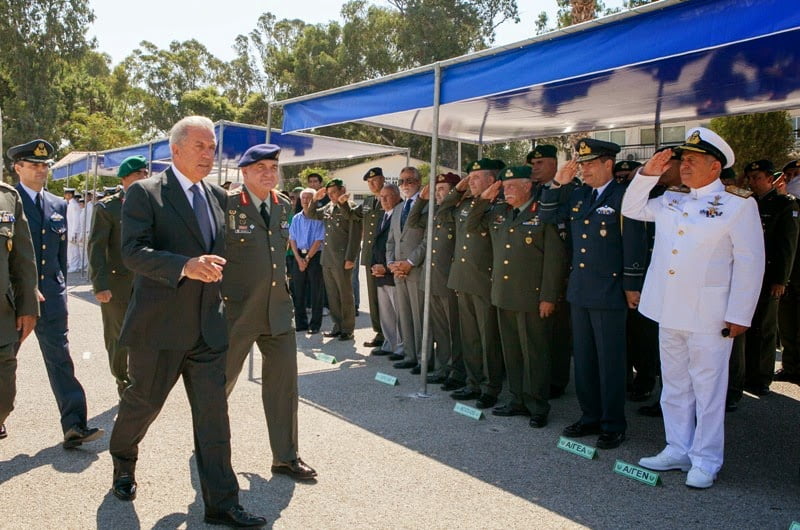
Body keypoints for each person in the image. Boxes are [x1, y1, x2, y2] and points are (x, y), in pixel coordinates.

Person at [109, 116, 265, 527]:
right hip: (159, 328)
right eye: (200, 146)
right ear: (175, 150)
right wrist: (185, 266)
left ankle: (222, 504)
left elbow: (226, 251)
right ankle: (123, 461)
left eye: (212, 147)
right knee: (141, 405)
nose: (208, 154)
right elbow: (132, 252)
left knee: (214, 418)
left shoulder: (218, 195)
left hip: (207, 328)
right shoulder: (145, 193)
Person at [624, 127, 765, 489]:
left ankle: (706, 459)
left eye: (692, 161)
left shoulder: (738, 205)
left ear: (715, 167)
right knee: (674, 385)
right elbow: (632, 208)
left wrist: (739, 314)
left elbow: (750, 262)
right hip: (668, 308)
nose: (684, 166)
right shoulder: (672, 198)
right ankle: (677, 448)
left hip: (710, 314)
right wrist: (648, 174)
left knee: (708, 389)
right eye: (682, 160)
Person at [541, 138, 644, 450]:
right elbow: (547, 216)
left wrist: (632, 284)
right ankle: (589, 417)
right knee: (584, 361)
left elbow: (634, 243)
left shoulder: (624, 196)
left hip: (610, 291)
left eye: (588, 164)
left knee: (610, 361)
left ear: (607, 164)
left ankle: (612, 423)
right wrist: (558, 182)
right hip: (581, 290)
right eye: (580, 164)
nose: (582, 169)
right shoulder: (578, 194)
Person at [223, 144, 317, 482]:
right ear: (244, 173)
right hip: (237, 311)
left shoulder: (282, 206)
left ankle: (285, 457)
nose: (268, 172)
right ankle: (212, 447)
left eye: (273, 166)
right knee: (220, 383)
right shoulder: (229, 205)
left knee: (283, 386)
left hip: (278, 309)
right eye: (260, 167)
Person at [10, 139, 104, 449]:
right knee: (4, 362)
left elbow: (60, 257)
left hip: (51, 297)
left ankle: (74, 425)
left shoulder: (57, 204)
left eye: (45, 165)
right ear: (17, 167)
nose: (41, 170)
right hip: (13, 299)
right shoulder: (7, 203)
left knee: (61, 360)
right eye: (34, 165)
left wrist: (60, 290)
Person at [468, 166, 568, 427]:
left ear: (528, 187)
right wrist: (486, 198)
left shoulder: (542, 213)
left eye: (513, 186)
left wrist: (549, 296)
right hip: (503, 295)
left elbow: (554, 260)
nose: (507, 191)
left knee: (534, 352)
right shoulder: (499, 212)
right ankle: (517, 399)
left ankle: (537, 405)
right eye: (505, 186)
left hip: (532, 297)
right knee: (511, 351)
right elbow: (471, 223)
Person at [443, 158, 505, 409]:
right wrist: (458, 189)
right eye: (469, 178)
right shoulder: (466, 203)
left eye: (477, 177)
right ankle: (473, 381)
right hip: (463, 277)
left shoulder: (498, 207)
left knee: (487, 337)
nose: (471, 182)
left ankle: (491, 387)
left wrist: (485, 199)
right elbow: (442, 212)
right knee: (469, 336)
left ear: (492, 181)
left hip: (484, 280)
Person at [88, 155, 148, 396]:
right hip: (116, 282)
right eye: (138, 174)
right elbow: (97, 248)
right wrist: (100, 285)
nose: (143, 178)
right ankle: (122, 378)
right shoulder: (108, 208)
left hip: (145, 282)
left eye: (145, 173)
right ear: (125, 179)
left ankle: (139, 377)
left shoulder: (151, 205)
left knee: (144, 332)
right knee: (118, 336)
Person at [742, 159, 799, 396]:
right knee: (747, 325)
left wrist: (781, 280)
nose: (753, 182)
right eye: (751, 178)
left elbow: (787, 245)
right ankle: (746, 373)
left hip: (769, 274)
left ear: (770, 179)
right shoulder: (747, 203)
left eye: (758, 178)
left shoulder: (785, 204)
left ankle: (761, 377)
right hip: (747, 274)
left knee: (765, 328)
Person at [407, 173, 462, 384]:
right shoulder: (434, 211)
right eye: (436, 189)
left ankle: (457, 370)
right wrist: (422, 197)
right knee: (440, 328)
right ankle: (443, 367)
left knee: (453, 329)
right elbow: (412, 221)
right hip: (432, 278)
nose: (437, 193)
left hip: (449, 279)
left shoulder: (455, 212)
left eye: (441, 189)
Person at [528, 145, 572, 398]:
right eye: (533, 163)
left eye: (540, 163)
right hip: (533, 268)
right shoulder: (531, 190)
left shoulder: (567, 190)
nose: (535, 168)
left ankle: (557, 380)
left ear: (555, 165)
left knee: (557, 330)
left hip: (559, 267)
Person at [0, 165, 39, 440]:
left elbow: (23, 261)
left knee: (4, 396)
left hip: (1, 316)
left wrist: (28, 308)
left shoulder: (7, 197)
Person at [305, 179, 360, 341]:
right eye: (328, 194)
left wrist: (350, 257)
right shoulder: (328, 207)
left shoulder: (352, 208)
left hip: (342, 258)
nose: (332, 196)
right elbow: (311, 214)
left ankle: (348, 328)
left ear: (342, 189)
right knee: (332, 295)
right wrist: (315, 199)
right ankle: (338, 325)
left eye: (334, 192)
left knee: (345, 294)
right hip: (328, 258)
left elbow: (355, 235)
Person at [385, 167, 425, 371]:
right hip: (399, 270)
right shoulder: (399, 208)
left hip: (416, 269)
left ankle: (422, 358)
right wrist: (391, 264)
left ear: (419, 182)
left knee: (419, 317)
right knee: (405, 314)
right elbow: (391, 241)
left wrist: (410, 262)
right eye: (401, 181)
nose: (405, 185)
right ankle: (409, 355)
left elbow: (427, 241)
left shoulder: (426, 205)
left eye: (409, 180)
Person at [352, 167, 386, 351]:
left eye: (375, 180)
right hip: (369, 255)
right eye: (369, 182)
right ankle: (379, 332)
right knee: (373, 297)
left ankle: (390, 333)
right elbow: (353, 215)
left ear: (382, 179)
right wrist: (342, 203)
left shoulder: (391, 198)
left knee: (387, 298)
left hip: (384, 256)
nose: (372, 184)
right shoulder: (368, 202)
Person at [370, 184, 404, 358]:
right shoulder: (383, 215)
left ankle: (401, 347)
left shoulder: (401, 213)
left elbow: (399, 246)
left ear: (397, 196)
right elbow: (376, 244)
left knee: (400, 314)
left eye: (387, 196)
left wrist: (386, 266)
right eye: (381, 197)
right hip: (379, 272)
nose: (383, 200)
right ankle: (389, 343)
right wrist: (374, 265)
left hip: (392, 271)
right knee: (387, 313)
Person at [289, 188, 325, 334]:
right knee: (298, 291)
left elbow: (318, 240)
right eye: (303, 198)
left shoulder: (318, 217)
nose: (305, 200)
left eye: (309, 198)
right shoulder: (296, 217)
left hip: (315, 256)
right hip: (298, 256)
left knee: (316, 292)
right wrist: (299, 259)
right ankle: (301, 323)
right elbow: (292, 239)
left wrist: (307, 259)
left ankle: (315, 325)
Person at [65, 185, 81, 272]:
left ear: (70, 195)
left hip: (73, 231)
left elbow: (76, 220)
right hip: (70, 230)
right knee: (70, 249)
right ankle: (72, 265)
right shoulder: (71, 204)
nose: (65, 196)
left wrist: (74, 232)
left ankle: (74, 266)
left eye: (66, 194)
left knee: (73, 250)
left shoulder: (74, 205)